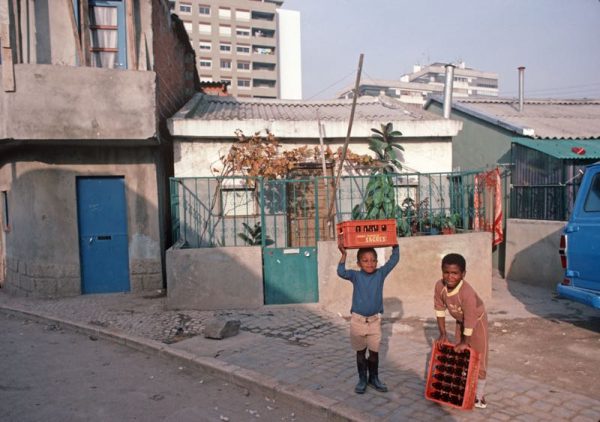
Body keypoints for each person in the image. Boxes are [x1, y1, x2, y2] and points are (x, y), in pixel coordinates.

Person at [337, 243, 399, 394]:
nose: (370, 263)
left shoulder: (380, 274)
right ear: (358, 263)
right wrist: (344, 255)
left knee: (374, 352)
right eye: (365, 260)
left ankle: (374, 378)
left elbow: (394, 260)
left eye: (373, 260)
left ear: (377, 262)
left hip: (374, 321)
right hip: (357, 321)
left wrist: (395, 244)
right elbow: (341, 272)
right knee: (360, 352)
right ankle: (362, 379)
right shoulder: (355, 275)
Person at [434, 253, 489, 409]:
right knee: (460, 356)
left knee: (479, 357)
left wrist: (466, 342)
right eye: (446, 272)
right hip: (461, 321)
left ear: (463, 274)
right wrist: (443, 333)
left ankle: (479, 396)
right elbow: (439, 309)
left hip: (477, 323)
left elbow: (471, 320)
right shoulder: (439, 286)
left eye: (455, 273)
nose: (450, 276)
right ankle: (462, 389)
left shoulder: (467, 293)